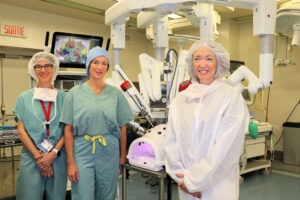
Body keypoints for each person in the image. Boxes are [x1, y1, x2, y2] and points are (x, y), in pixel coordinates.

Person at [164, 39, 250, 200]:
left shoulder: (231, 98)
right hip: (186, 185)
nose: (202, 64)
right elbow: (171, 142)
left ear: (219, 63)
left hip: (217, 186)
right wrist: (182, 179)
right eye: (197, 58)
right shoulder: (180, 100)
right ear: (191, 63)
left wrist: (194, 182)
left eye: (209, 59)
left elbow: (226, 148)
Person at [59, 46, 133, 200]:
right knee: (82, 194)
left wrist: (122, 155)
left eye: (104, 63)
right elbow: (68, 130)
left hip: (109, 152)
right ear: (88, 65)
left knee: (107, 194)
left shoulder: (116, 94)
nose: (100, 67)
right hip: (82, 152)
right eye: (96, 62)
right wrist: (71, 162)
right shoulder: (74, 94)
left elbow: (123, 127)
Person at [13, 52, 68, 200]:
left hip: (57, 158)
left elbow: (68, 131)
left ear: (54, 68)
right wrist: (40, 159)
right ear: (34, 69)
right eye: (39, 66)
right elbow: (21, 132)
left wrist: (52, 154)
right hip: (32, 159)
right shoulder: (24, 98)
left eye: (47, 66)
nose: (43, 70)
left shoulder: (64, 98)